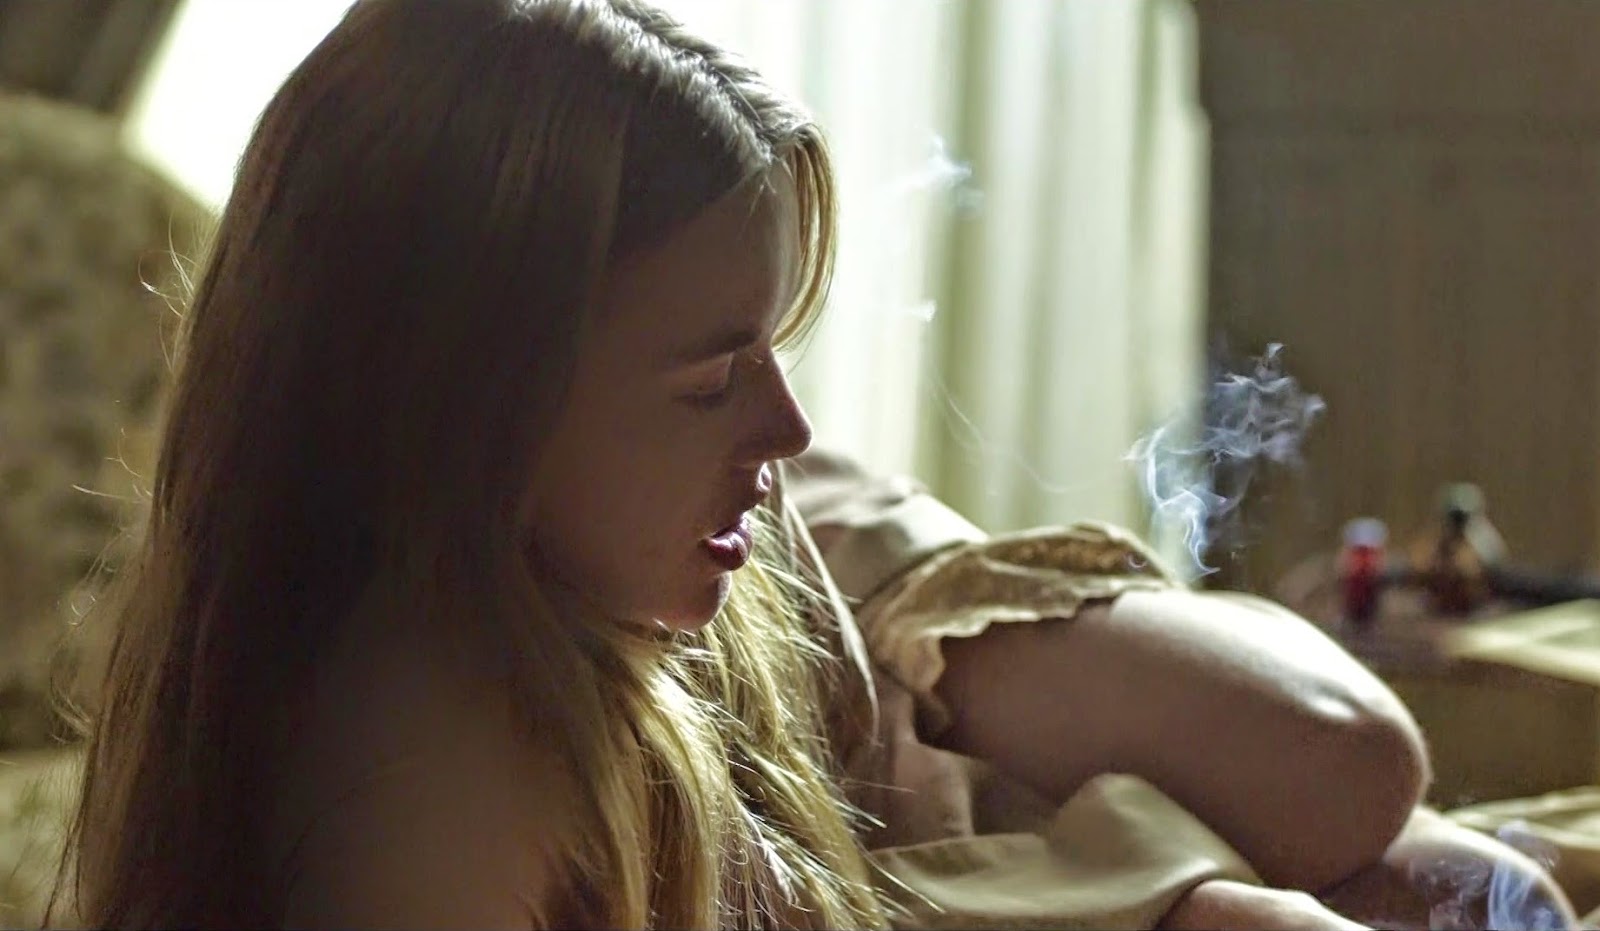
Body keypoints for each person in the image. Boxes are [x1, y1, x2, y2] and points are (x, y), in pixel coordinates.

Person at [49, 0, 1577, 928]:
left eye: (775, 353)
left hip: (846, 639)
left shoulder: (589, 632)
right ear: (457, 402)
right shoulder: (430, 754)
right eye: (713, 378)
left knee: (1388, 823)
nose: (780, 427)